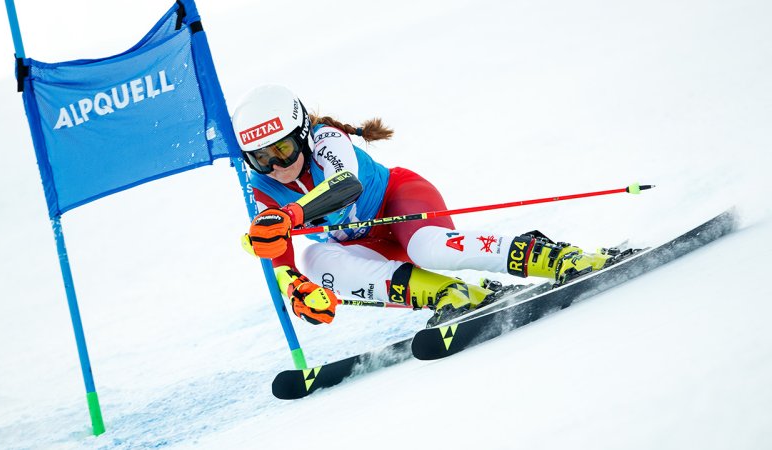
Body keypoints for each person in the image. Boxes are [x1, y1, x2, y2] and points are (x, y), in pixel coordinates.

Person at [234, 85, 617, 326]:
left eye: (282, 150)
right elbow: (278, 255)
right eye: (260, 158)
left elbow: (345, 185)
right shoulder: (260, 186)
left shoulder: (326, 139)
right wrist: (297, 288)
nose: (276, 167)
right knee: (315, 260)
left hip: (400, 204)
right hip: (361, 242)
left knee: (428, 248)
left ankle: (558, 258)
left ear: (301, 135)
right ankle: (450, 294)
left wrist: (290, 215)